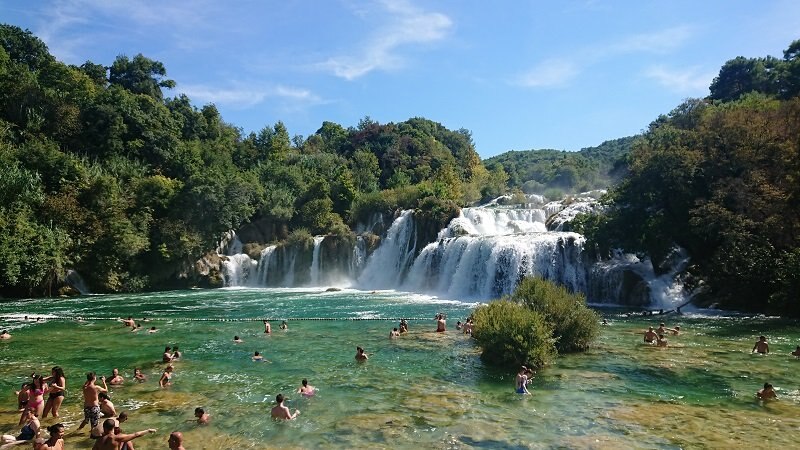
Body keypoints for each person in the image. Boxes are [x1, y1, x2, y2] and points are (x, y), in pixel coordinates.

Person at [91, 418, 156, 450]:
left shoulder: (98, 440)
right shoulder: (116, 438)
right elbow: (136, 434)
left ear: (104, 427)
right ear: (113, 427)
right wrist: (148, 430)